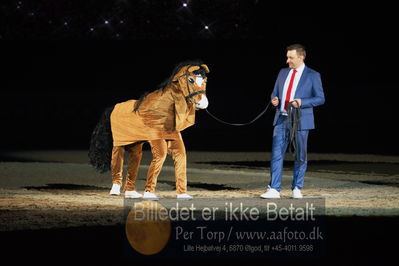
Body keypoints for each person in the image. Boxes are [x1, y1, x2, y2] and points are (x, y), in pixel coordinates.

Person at [261, 44, 325, 199]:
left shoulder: (313, 75)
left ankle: (297, 187)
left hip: (301, 120)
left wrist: (302, 102)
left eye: (291, 57)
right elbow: (275, 92)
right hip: (282, 118)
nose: (287, 60)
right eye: (287, 56)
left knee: (300, 155)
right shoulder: (283, 72)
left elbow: (320, 98)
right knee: (276, 154)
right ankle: (274, 189)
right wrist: (274, 99)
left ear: (301, 57)